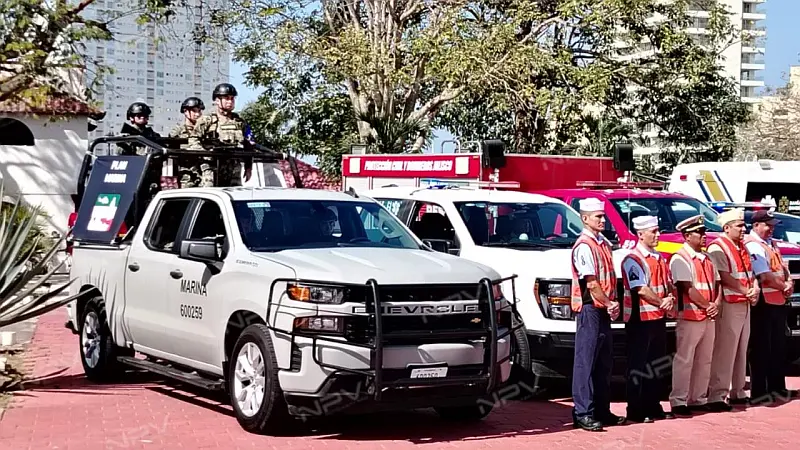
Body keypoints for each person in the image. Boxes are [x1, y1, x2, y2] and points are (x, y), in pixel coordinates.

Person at [570, 197, 624, 432]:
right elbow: (591, 284)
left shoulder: (602, 243)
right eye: (598, 217)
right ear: (585, 218)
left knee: (603, 363)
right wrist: (610, 303)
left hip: (603, 308)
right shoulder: (584, 246)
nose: (603, 220)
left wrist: (610, 303)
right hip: (591, 308)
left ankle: (602, 409)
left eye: (603, 216)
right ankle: (583, 412)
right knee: (586, 362)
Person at [621, 215, 675, 423]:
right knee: (638, 365)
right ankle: (635, 408)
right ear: (640, 234)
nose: (658, 235)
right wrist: (663, 302)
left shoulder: (659, 257)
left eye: (658, 230)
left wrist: (669, 298)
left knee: (656, 363)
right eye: (653, 232)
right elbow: (640, 288)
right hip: (640, 318)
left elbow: (667, 283)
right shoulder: (633, 259)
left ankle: (653, 404)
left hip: (658, 318)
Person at [706, 208, 759, 411]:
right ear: (727, 228)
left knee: (741, 350)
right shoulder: (718, 247)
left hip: (743, 302)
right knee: (725, 350)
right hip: (730, 304)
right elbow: (724, 275)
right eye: (739, 226)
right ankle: (718, 394)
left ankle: (738, 391)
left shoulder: (741, 246)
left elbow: (749, 271)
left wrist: (754, 289)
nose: (743, 229)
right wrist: (747, 290)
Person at [668, 214, 721, 417]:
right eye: (699, 233)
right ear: (687, 236)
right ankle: (679, 400)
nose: (703, 236)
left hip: (708, 315)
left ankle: (698, 398)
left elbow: (717, 285)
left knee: (705, 359)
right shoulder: (680, 258)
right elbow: (686, 288)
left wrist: (715, 304)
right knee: (685, 359)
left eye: (703, 232)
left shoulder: (707, 258)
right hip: (690, 316)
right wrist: (709, 305)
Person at [744, 209, 795, 405]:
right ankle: (760, 390)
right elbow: (764, 276)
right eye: (768, 225)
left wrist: (789, 282)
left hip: (778, 300)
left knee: (777, 347)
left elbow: (782, 267)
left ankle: (776, 387)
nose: (772, 229)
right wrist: (784, 286)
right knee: (762, 347)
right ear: (756, 226)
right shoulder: (754, 246)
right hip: (765, 302)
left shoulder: (771, 244)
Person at [190, 83, 253, 186]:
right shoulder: (207, 120)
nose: (230, 101)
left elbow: (249, 145)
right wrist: (206, 155)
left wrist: (248, 167)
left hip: (233, 166)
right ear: (218, 101)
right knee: (210, 194)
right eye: (226, 98)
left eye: (232, 98)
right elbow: (193, 140)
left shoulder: (240, 122)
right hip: (211, 165)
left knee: (234, 194)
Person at [168, 97, 212, 188]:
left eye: (199, 111)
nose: (198, 114)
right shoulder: (178, 130)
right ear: (186, 112)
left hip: (203, 170)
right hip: (185, 171)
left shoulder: (205, 130)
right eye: (194, 111)